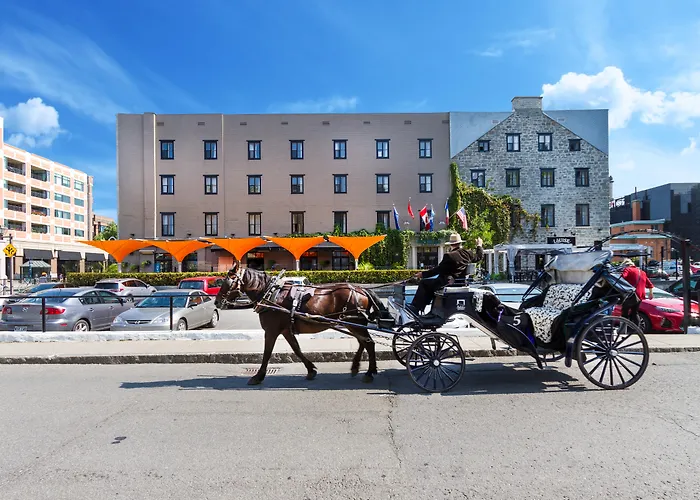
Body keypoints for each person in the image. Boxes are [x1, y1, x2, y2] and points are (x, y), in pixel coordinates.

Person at [407, 234, 484, 316]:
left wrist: (422, 274)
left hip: (448, 283)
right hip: (460, 283)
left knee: (424, 283)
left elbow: (438, 269)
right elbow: (479, 257)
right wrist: (479, 245)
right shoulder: (468, 253)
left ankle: (416, 308)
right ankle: (429, 310)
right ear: (460, 243)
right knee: (431, 285)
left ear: (451, 245)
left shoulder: (449, 256)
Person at [620, 258, 653, 326]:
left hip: (631, 295)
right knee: (635, 312)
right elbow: (650, 284)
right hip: (640, 296)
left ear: (626, 265)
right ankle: (637, 329)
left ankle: (623, 328)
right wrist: (650, 294)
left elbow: (622, 277)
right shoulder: (642, 272)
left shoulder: (627, 269)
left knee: (624, 311)